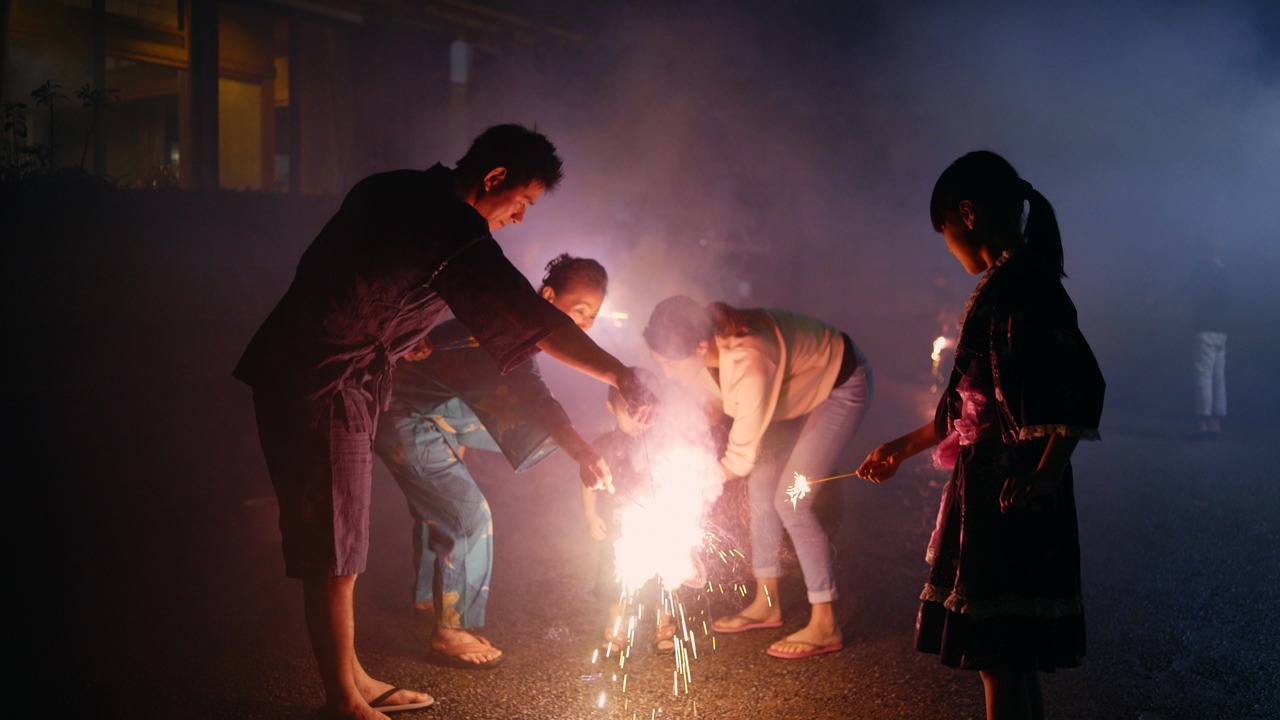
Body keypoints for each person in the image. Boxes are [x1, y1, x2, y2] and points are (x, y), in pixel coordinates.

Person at [233, 124, 653, 720]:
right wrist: (622, 376)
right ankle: (342, 702)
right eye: (523, 203)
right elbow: (529, 319)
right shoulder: (452, 228)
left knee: (342, 540)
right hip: (324, 376)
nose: (519, 218)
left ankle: (351, 678)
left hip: (326, 372)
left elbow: (341, 271)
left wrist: (401, 336)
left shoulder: (391, 189)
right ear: (495, 178)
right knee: (332, 544)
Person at [855, 151, 1104, 720]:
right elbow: (970, 402)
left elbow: (1077, 386)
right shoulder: (1004, 284)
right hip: (995, 484)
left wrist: (1043, 473)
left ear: (966, 214)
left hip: (1010, 490)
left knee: (998, 653)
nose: (946, 246)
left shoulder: (1024, 286)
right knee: (1008, 655)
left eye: (945, 234)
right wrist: (902, 447)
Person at [374, 254, 612, 670]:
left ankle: (431, 596)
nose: (585, 325)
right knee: (468, 516)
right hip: (399, 413)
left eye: (593, 317)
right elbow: (536, 397)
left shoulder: (516, 333)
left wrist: (579, 451)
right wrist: (584, 452)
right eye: (579, 311)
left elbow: (533, 406)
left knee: (530, 432)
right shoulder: (502, 328)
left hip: (434, 409)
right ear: (548, 296)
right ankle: (450, 632)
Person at [642, 296, 871, 660]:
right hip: (792, 392)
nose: (667, 373)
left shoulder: (749, 359)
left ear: (701, 347)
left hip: (838, 386)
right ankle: (767, 604)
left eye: (670, 364)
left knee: (790, 502)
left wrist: (686, 497)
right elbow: (712, 408)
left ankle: (825, 625)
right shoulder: (706, 352)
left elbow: (740, 458)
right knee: (761, 489)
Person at [1189, 241, 1229, 438]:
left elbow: (1191, 293)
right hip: (1221, 330)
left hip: (1204, 328)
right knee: (1218, 377)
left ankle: (1203, 421)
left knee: (1203, 375)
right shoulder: (1224, 272)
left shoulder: (1201, 271)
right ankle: (1216, 421)